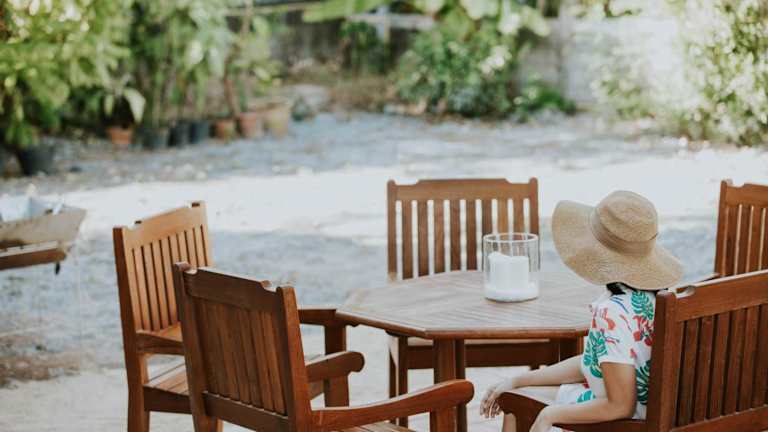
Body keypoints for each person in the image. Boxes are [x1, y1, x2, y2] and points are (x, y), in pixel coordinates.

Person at [480, 191, 684, 432]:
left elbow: (621, 405)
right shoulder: (655, 297)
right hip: (656, 411)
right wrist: (517, 380)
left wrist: (550, 414)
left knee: (513, 403)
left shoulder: (612, 313)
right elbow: (595, 363)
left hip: (626, 421)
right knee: (515, 392)